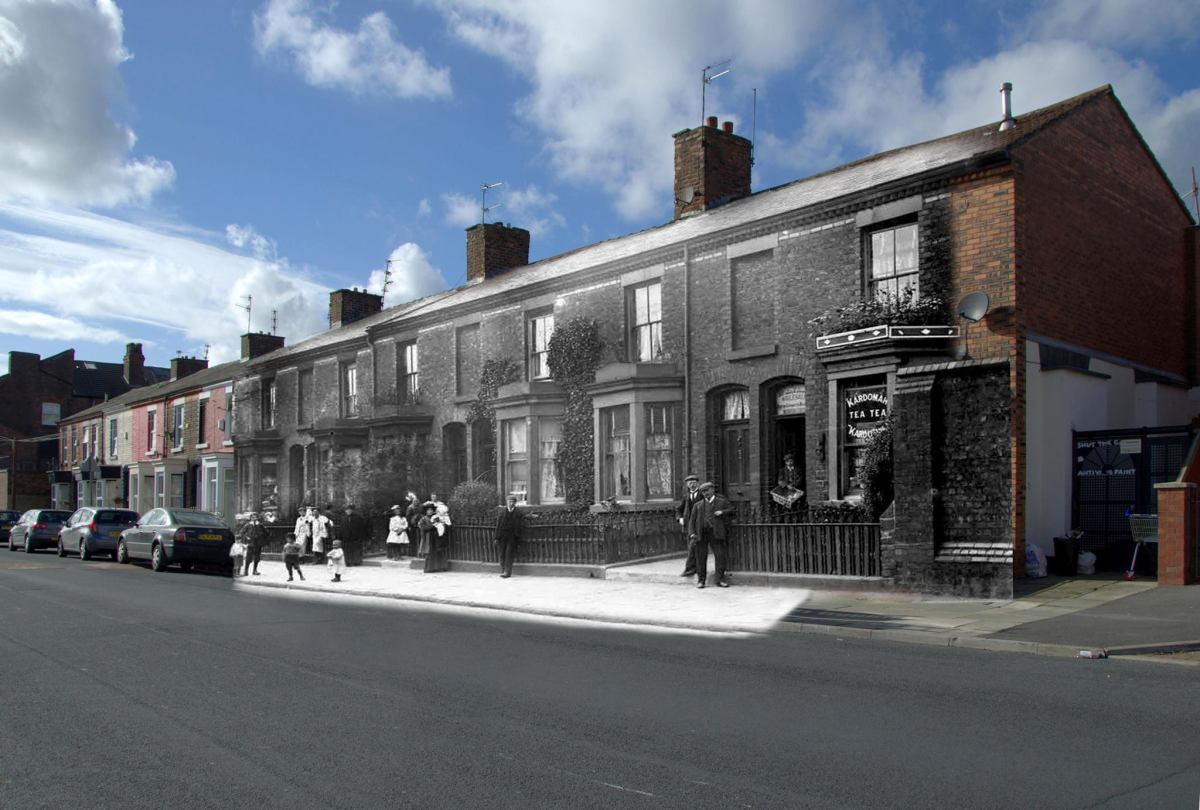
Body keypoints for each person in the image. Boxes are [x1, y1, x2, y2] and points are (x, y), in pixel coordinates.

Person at [688, 481, 735, 589]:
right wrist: (692, 533)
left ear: (712, 489)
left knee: (720, 556)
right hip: (701, 534)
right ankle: (701, 581)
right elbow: (692, 521)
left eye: (707, 490)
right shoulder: (698, 505)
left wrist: (722, 512)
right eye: (703, 491)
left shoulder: (721, 502)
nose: (705, 493)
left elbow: (732, 510)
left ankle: (720, 580)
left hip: (716, 533)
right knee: (700, 558)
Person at [676, 473, 703, 577]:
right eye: (690, 483)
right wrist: (680, 518)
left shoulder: (702, 494)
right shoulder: (686, 496)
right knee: (692, 547)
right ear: (687, 485)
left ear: (697, 483)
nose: (692, 485)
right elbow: (679, 509)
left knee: (693, 547)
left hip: (699, 525)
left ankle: (689, 569)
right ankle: (694, 568)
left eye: (694, 483)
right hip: (688, 526)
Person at [494, 494, 524, 578]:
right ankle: (503, 570)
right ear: (507, 502)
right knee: (502, 554)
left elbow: (520, 526)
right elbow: (498, 525)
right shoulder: (502, 512)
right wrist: (496, 537)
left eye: (512, 502)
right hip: (502, 536)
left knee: (509, 554)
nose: (510, 503)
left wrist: (518, 537)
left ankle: (507, 572)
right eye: (509, 501)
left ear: (515, 503)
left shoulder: (518, 513)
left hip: (512, 537)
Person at [419, 501, 448, 573]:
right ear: (426, 511)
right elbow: (423, 528)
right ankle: (428, 568)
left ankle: (438, 567)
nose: (430, 511)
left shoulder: (436, 518)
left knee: (438, 552)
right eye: (428, 510)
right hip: (428, 537)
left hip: (436, 537)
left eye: (431, 510)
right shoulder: (423, 519)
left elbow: (441, 526)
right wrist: (432, 526)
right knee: (429, 553)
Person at [239, 512, 267, 576]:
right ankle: (246, 571)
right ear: (250, 518)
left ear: (257, 518)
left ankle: (255, 570)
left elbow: (266, 533)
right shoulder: (248, 525)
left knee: (257, 557)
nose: (254, 518)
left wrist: (261, 538)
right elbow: (241, 533)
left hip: (258, 543)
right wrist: (246, 537)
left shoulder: (260, 525)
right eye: (252, 517)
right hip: (250, 543)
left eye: (255, 517)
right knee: (248, 557)